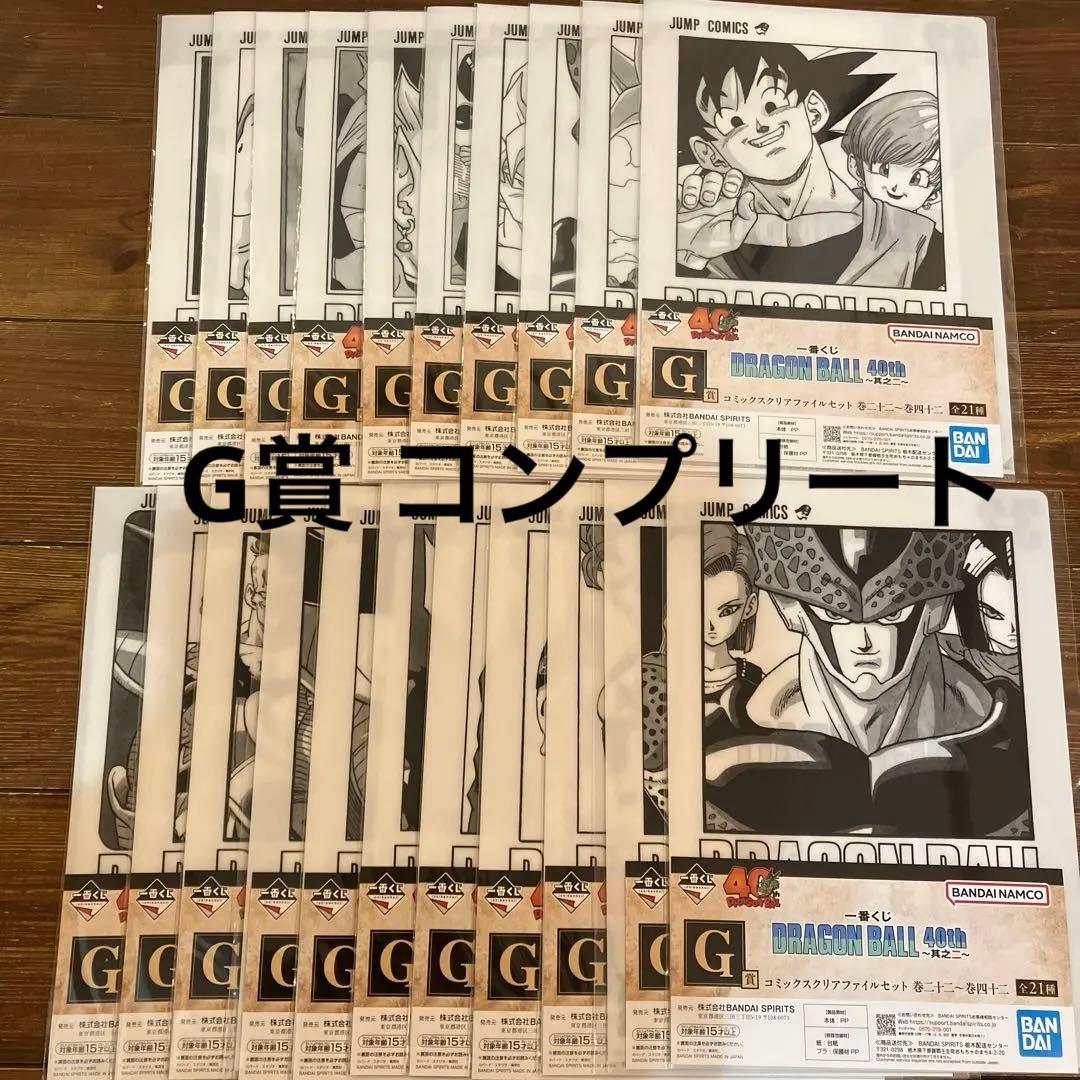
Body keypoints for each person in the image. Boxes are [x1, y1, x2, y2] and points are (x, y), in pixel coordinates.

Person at [705, 525, 1028, 837]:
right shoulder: (732, 730)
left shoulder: (1008, 730)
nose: (864, 642)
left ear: (935, 610)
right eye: (835, 615)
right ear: (792, 612)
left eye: (891, 615)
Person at [675, 40, 943, 289]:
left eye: (772, 105)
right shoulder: (714, 245)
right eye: (734, 123)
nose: (760, 126)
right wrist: (690, 258)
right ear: (710, 154)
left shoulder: (915, 239)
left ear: (814, 111)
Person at [841, 90, 944, 288]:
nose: (896, 188)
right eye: (884, 169)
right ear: (855, 166)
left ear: (935, 192)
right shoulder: (842, 220)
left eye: (917, 178)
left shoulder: (934, 247)